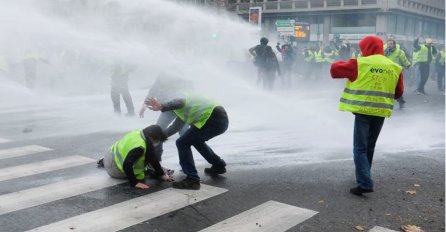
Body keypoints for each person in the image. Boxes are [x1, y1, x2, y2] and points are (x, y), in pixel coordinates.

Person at [330, 36, 404, 196]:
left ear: (366, 48)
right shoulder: (395, 66)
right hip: (381, 112)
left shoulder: (360, 63)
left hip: (363, 111)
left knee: (360, 148)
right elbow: (398, 93)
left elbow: (335, 70)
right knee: (370, 146)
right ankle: (365, 174)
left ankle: (365, 182)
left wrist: (348, 60)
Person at [146, 94, 229, 190]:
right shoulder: (184, 110)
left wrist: (162, 106)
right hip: (218, 119)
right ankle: (218, 165)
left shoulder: (180, 99)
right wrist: (157, 138)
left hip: (213, 118)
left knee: (182, 142)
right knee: (195, 140)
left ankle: (192, 179)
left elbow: (178, 102)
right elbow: (176, 127)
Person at [99, 125, 174, 189]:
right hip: (115, 170)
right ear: (151, 138)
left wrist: (161, 174)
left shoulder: (138, 133)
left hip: (108, 157)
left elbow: (152, 157)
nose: (157, 143)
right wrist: (134, 183)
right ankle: (155, 171)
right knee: (147, 166)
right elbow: (127, 165)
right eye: (157, 141)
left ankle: (102, 162)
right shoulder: (140, 147)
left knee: (147, 158)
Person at [384, 37, 411, 109]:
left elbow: (404, 60)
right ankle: (386, 103)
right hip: (385, 72)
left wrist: (407, 65)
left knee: (396, 88)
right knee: (385, 88)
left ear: (394, 44)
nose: (389, 45)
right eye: (388, 44)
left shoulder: (399, 52)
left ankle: (401, 101)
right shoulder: (383, 51)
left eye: (391, 44)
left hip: (395, 72)